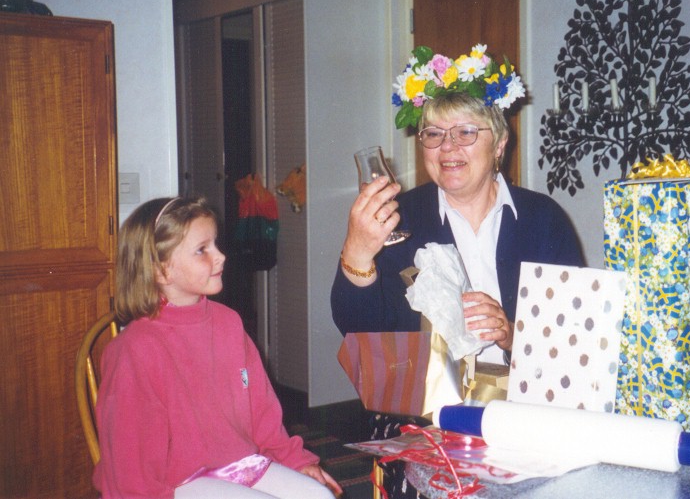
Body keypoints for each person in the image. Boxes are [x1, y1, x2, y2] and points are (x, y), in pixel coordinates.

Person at [331, 45, 583, 498]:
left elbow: (575, 341)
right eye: (433, 134)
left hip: (525, 405)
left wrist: (512, 334)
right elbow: (361, 333)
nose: (448, 147)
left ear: (500, 144)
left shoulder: (545, 220)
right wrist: (358, 251)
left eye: (466, 132)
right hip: (427, 418)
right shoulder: (397, 220)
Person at [94, 196, 341, 499]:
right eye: (202, 250)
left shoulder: (228, 323)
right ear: (160, 270)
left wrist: (296, 460)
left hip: (238, 464)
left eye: (216, 244)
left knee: (319, 495)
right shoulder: (135, 349)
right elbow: (129, 460)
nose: (221, 256)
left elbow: (262, 411)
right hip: (176, 482)